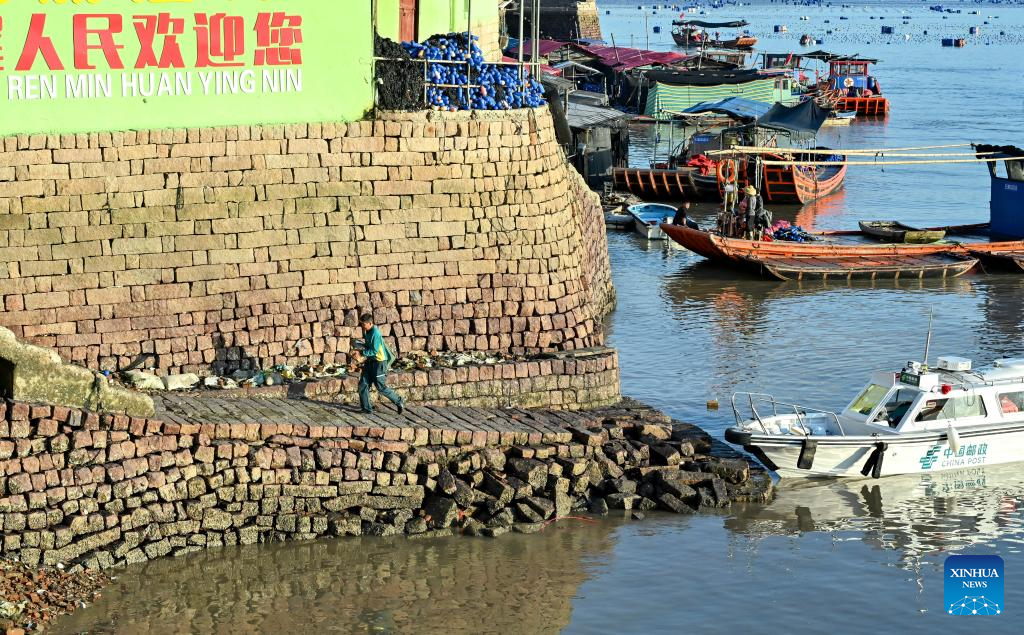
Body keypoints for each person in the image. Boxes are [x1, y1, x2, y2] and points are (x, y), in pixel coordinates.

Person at [354, 313, 404, 415]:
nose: (362, 326)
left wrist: (362, 353)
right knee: (363, 384)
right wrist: (359, 345)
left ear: (370, 323)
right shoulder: (367, 331)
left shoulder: (375, 333)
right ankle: (367, 409)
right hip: (370, 362)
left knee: (380, 387)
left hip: (379, 363)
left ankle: (399, 401)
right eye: (361, 324)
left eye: (363, 324)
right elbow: (369, 347)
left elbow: (375, 351)